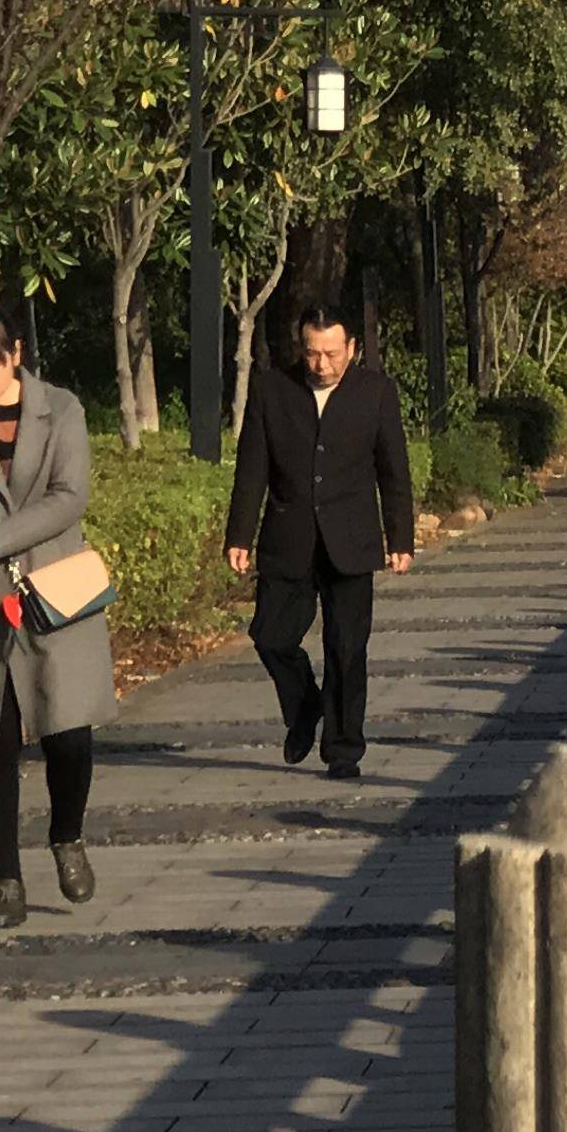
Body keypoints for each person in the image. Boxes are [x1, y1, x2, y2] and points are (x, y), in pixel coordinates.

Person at [224, 304, 418, 781]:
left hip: (351, 538)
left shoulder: (375, 392)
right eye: (313, 354)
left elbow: (394, 471)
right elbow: (252, 466)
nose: (322, 365)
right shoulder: (273, 389)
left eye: (332, 354)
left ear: (351, 348)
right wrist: (239, 534)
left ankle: (344, 747)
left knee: (346, 648)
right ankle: (306, 706)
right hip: (288, 536)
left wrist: (400, 537)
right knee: (270, 636)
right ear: (300, 348)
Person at [0, 306, 109, 930]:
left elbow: (69, 497)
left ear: (13, 354)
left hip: (54, 593)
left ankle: (67, 835)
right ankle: (5, 884)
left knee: (69, 735)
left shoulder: (62, 409)